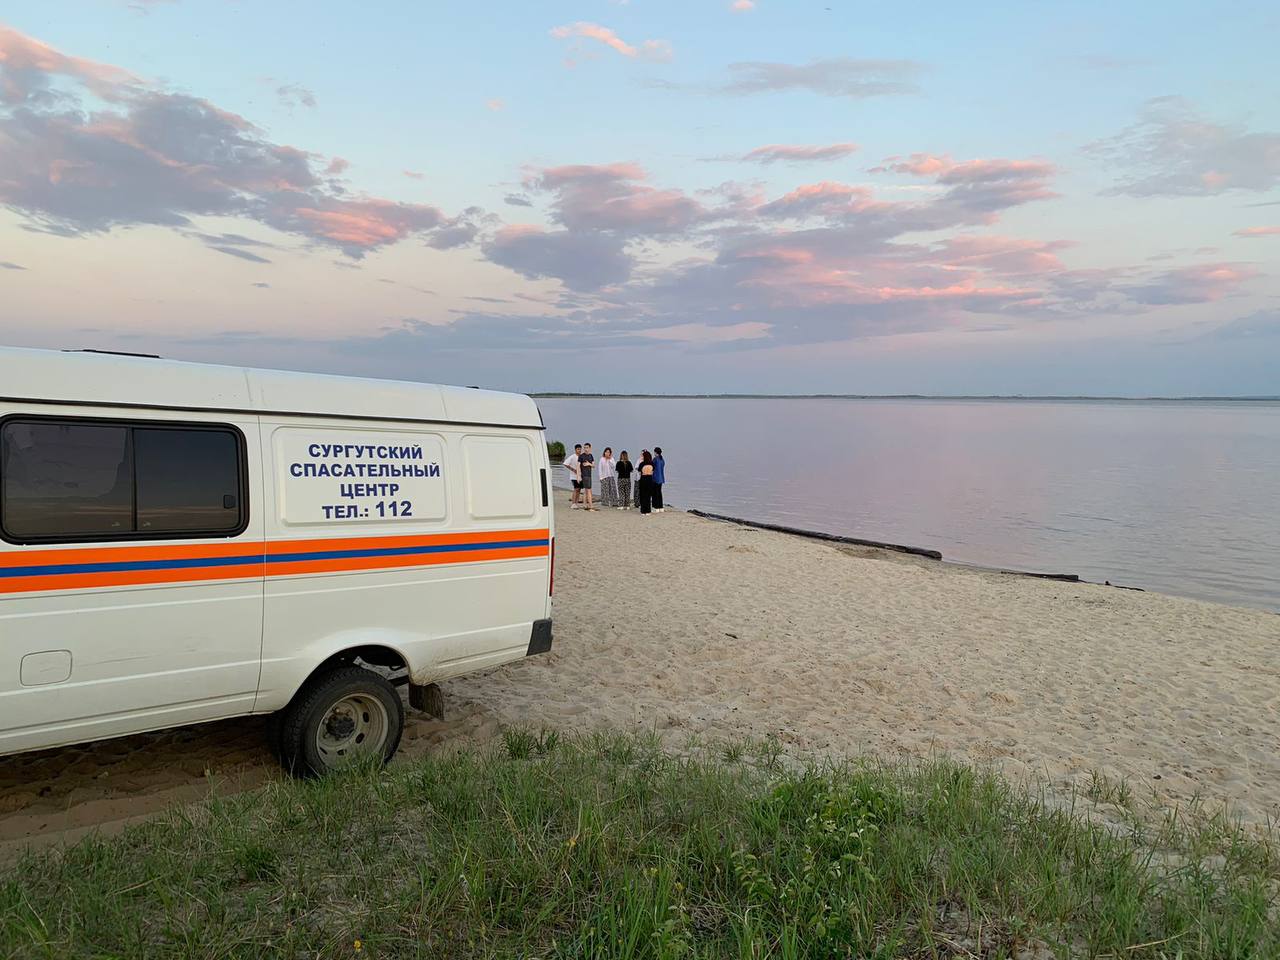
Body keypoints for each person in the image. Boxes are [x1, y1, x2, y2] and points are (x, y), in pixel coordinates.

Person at [636, 449, 656, 515]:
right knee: (648, 495)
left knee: (642, 495)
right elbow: (653, 471)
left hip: (643, 479)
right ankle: (648, 510)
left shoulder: (642, 464)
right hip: (650, 479)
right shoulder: (652, 463)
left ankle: (643, 511)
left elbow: (639, 471)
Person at [578, 442, 596, 511]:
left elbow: (594, 465)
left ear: (590, 448)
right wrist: (578, 476)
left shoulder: (591, 456)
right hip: (584, 475)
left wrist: (589, 464)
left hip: (589, 475)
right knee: (588, 490)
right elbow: (578, 466)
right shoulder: (581, 456)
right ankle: (591, 505)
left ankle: (584, 504)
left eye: (587, 448)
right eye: (584, 448)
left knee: (586, 490)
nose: (585, 449)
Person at [563, 443, 582, 508]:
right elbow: (565, 464)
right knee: (576, 489)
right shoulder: (572, 456)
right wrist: (573, 470)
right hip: (573, 476)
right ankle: (573, 503)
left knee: (579, 489)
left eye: (580, 449)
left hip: (580, 476)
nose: (579, 450)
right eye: (578, 449)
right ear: (575, 450)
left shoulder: (581, 456)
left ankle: (576, 503)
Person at [652, 446, 666, 512]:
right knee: (659, 492)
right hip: (661, 478)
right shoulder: (662, 460)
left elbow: (652, 467)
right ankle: (661, 507)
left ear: (656, 452)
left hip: (655, 478)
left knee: (655, 493)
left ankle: (656, 507)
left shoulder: (655, 459)